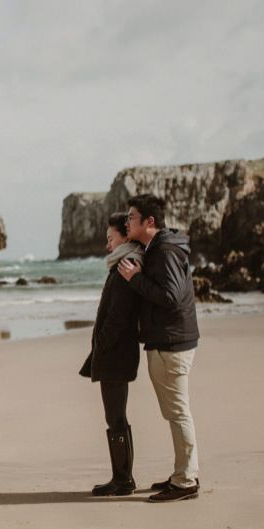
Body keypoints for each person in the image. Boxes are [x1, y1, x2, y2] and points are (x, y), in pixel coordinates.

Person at [116, 193, 201, 503]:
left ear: (149, 222)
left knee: (178, 412)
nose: (127, 222)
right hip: (169, 340)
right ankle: (184, 472)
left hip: (171, 343)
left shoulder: (164, 250)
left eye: (132, 218)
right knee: (175, 412)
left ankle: (186, 481)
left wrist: (136, 279)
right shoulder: (160, 247)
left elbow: (170, 296)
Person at [79, 212, 144, 496]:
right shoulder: (122, 265)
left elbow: (118, 316)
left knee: (115, 417)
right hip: (116, 352)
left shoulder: (125, 266)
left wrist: (102, 344)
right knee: (116, 416)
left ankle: (123, 480)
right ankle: (122, 477)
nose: (108, 245)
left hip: (116, 354)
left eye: (110, 238)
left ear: (125, 236)